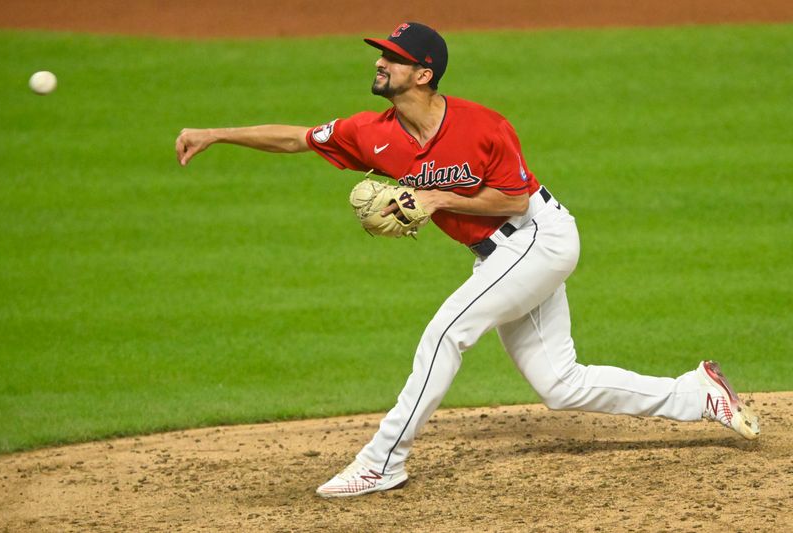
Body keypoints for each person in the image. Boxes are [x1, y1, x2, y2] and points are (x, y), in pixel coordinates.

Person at [175, 22, 760, 499]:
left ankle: (383, 461)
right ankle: (697, 394)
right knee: (560, 384)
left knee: (446, 332)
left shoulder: (482, 125)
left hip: (539, 235)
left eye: (394, 58)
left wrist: (436, 197)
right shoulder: (369, 132)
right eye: (382, 54)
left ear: (423, 74)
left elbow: (514, 197)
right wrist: (217, 133)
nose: (381, 63)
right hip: (500, 255)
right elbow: (298, 138)